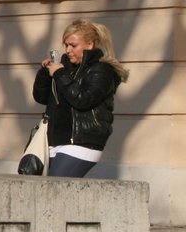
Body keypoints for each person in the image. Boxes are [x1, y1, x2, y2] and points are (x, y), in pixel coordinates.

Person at [32, 19, 129, 177]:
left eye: (73, 45)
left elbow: (83, 99)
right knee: (47, 189)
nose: (68, 50)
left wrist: (60, 74)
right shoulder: (65, 69)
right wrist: (45, 73)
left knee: (57, 187)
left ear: (90, 44)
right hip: (54, 141)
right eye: (66, 45)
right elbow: (42, 98)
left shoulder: (101, 70)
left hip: (82, 143)